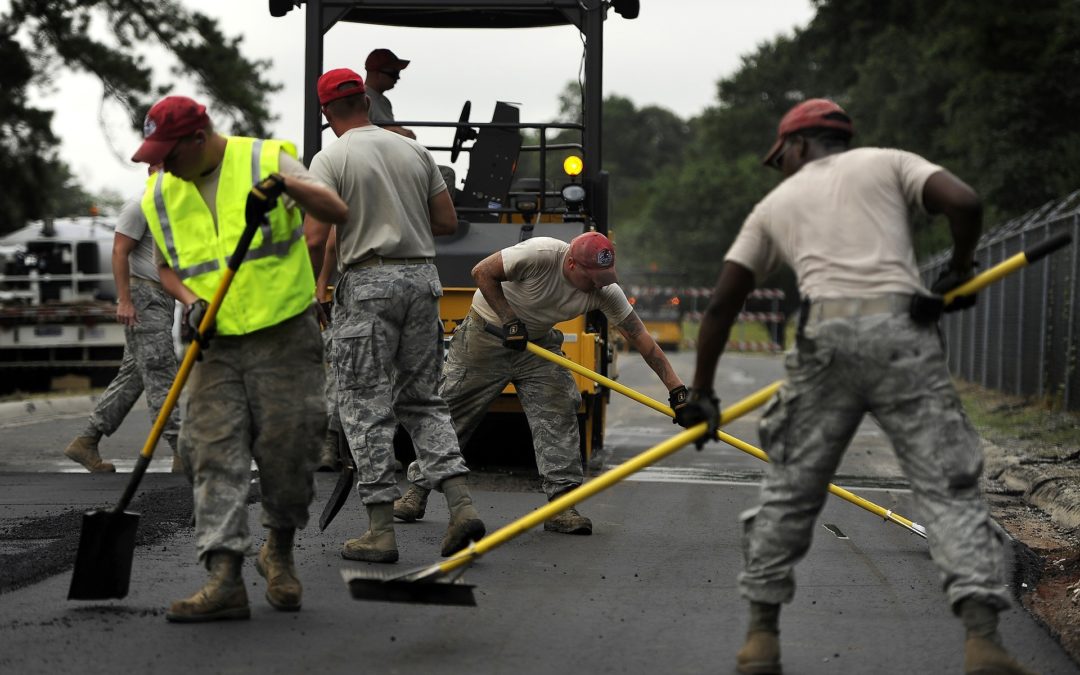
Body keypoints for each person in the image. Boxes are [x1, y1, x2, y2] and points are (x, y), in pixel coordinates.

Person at [677, 98, 1034, 675]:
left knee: (791, 487)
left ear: (796, 146)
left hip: (826, 337)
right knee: (946, 486)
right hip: (902, 331)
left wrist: (703, 394)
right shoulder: (890, 162)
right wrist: (962, 268)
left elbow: (721, 304)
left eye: (782, 156)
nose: (783, 166)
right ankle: (983, 640)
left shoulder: (774, 204)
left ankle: (761, 638)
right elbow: (964, 201)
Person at [131, 95, 349, 622]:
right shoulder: (160, 191)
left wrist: (286, 187)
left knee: (289, 448)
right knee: (211, 450)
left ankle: (278, 549)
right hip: (216, 342)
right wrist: (190, 300)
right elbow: (165, 267)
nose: (159, 165)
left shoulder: (264, 159)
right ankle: (224, 576)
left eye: (167, 153)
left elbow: (336, 211)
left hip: (284, 334)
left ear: (199, 140)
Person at [394, 232, 689, 535]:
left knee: (559, 406)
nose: (599, 284)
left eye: (605, 277)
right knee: (452, 412)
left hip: (536, 345)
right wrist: (509, 319)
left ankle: (562, 505)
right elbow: (482, 272)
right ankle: (417, 490)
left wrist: (677, 391)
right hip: (485, 337)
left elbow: (643, 341)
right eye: (593, 277)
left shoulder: (605, 290)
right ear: (572, 264)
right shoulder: (540, 254)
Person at [304, 68, 485, 564]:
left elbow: (317, 237)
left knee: (365, 406)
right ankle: (462, 506)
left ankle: (380, 533)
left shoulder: (331, 157)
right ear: (365, 100)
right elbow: (447, 221)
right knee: (424, 400)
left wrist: (314, 283)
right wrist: (401, 219)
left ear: (326, 113)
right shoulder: (413, 150)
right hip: (422, 280)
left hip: (367, 287)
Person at [63, 170, 183, 475]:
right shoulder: (139, 205)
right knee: (162, 372)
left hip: (161, 300)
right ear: (152, 171)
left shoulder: (169, 208)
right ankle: (183, 450)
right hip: (144, 299)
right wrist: (125, 300)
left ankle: (86, 441)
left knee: (133, 377)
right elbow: (119, 251)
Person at [363, 48, 416, 139]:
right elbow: (360, 132)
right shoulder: (360, 98)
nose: (398, 78)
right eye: (394, 73)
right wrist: (398, 132)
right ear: (377, 73)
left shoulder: (385, 101)